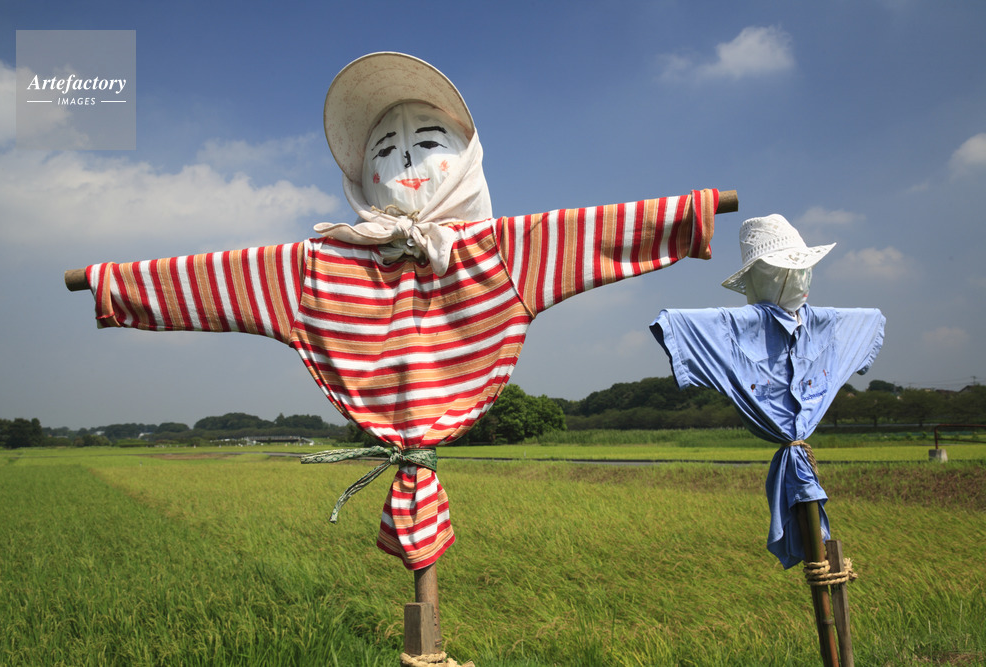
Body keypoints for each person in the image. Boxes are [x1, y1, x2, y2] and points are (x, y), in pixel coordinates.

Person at [78, 52, 722, 570]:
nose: (407, 160)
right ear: (361, 176)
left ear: (467, 161)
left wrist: (690, 216)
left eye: (429, 142)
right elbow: (208, 279)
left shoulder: (505, 251)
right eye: (384, 150)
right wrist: (114, 285)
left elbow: (601, 231)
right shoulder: (314, 269)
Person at [650, 214, 885, 566]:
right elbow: (674, 323)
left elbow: (871, 320)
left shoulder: (831, 325)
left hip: (800, 447)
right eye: (784, 271)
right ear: (760, 278)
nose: (798, 278)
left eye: (802, 269)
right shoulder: (731, 330)